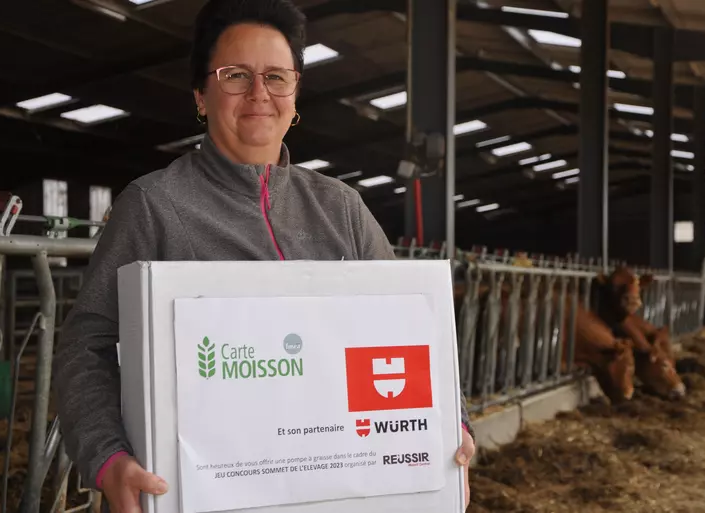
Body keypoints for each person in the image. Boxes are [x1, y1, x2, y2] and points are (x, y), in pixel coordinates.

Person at [52, 1, 476, 512]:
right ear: (201, 96)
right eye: (235, 75)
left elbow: (409, 334)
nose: (259, 94)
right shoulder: (154, 206)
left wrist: (449, 426)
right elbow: (87, 345)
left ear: (295, 95)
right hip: (203, 490)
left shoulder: (339, 207)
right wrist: (107, 458)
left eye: (276, 77)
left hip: (338, 484)